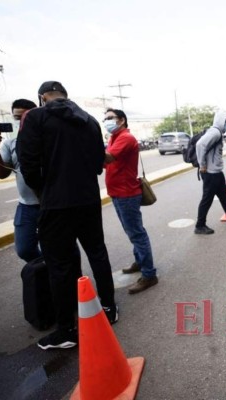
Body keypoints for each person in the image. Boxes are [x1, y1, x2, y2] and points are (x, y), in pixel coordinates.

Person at [17, 81, 117, 350]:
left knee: (59, 265)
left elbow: (28, 163)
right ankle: (109, 308)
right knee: (97, 252)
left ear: (42, 98)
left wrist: (44, 192)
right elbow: (99, 164)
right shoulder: (90, 121)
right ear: (65, 95)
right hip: (87, 200)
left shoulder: (36, 117)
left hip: (55, 204)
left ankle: (66, 330)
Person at [103, 108, 158, 294]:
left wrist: (89, 142)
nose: (106, 121)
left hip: (126, 193)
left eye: (110, 118)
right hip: (118, 192)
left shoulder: (125, 138)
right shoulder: (113, 138)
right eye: (105, 118)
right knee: (131, 231)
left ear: (122, 120)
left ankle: (149, 275)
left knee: (137, 233)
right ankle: (140, 261)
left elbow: (108, 157)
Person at [0, 99, 42, 262]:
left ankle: (68, 277)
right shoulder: (11, 142)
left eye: (26, 117)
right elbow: (1, 174)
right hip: (26, 206)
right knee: (25, 249)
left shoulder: (49, 138)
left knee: (61, 247)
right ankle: (46, 270)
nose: (21, 122)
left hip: (50, 203)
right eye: (17, 118)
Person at [194, 110, 226, 234]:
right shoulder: (215, 132)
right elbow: (200, 145)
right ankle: (199, 225)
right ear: (220, 121)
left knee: (224, 197)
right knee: (207, 199)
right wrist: (202, 165)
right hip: (210, 173)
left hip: (216, 172)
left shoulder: (217, 132)